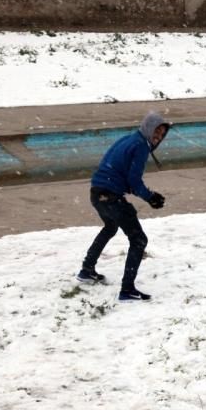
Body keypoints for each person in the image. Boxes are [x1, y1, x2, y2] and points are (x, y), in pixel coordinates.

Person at [77, 111, 170, 302]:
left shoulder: (128, 139)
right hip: (111, 197)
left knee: (110, 227)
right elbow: (134, 180)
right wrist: (150, 197)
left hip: (97, 192)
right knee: (139, 240)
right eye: (156, 132)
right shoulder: (140, 146)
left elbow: (113, 167)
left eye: (161, 135)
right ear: (148, 128)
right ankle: (127, 290)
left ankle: (87, 270)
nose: (157, 137)